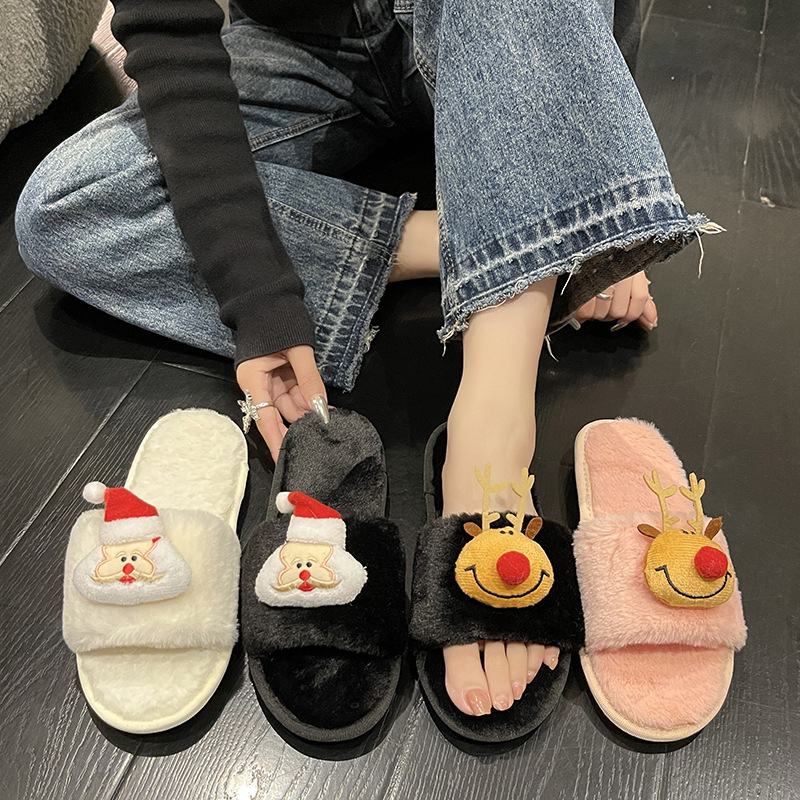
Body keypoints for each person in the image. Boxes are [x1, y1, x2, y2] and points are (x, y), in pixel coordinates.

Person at [14, 0, 714, 720]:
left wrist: (590, 164)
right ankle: (505, 238)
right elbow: (168, 31)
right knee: (64, 209)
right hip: (306, 45)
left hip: (496, 28)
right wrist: (256, 289)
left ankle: (493, 440)